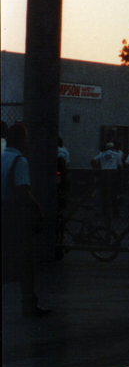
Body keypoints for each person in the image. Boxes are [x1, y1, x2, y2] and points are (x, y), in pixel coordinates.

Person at [1, 123, 50, 317]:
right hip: (13, 215)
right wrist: (37, 206)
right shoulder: (19, 161)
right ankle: (29, 304)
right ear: (21, 140)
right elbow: (22, 189)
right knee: (25, 261)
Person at [91, 141, 124, 217]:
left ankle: (105, 213)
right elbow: (120, 166)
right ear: (113, 148)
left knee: (104, 195)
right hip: (113, 175)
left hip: (104, 175)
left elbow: (92, 161)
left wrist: (97, 169)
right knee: (114, 195)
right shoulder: (116, 155)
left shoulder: (102, 154)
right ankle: (116, 213)